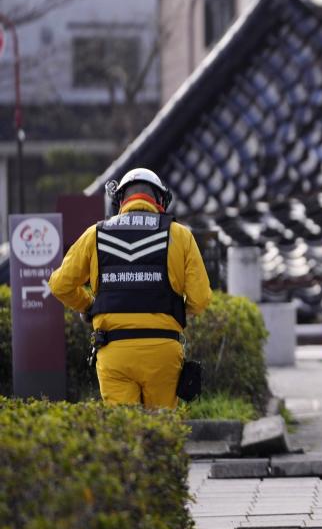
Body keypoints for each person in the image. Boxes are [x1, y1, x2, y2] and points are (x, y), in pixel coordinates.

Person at [49, 168, 212, 409]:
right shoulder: (180, 235)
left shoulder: (95, 234)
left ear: (120, 201)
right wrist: (176, 311)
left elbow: (60, 285)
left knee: (125, 431)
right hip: (163, 353)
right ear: (159, 201)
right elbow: (200, 299)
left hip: (113, 352)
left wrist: (89, 306)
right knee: (163, 432)